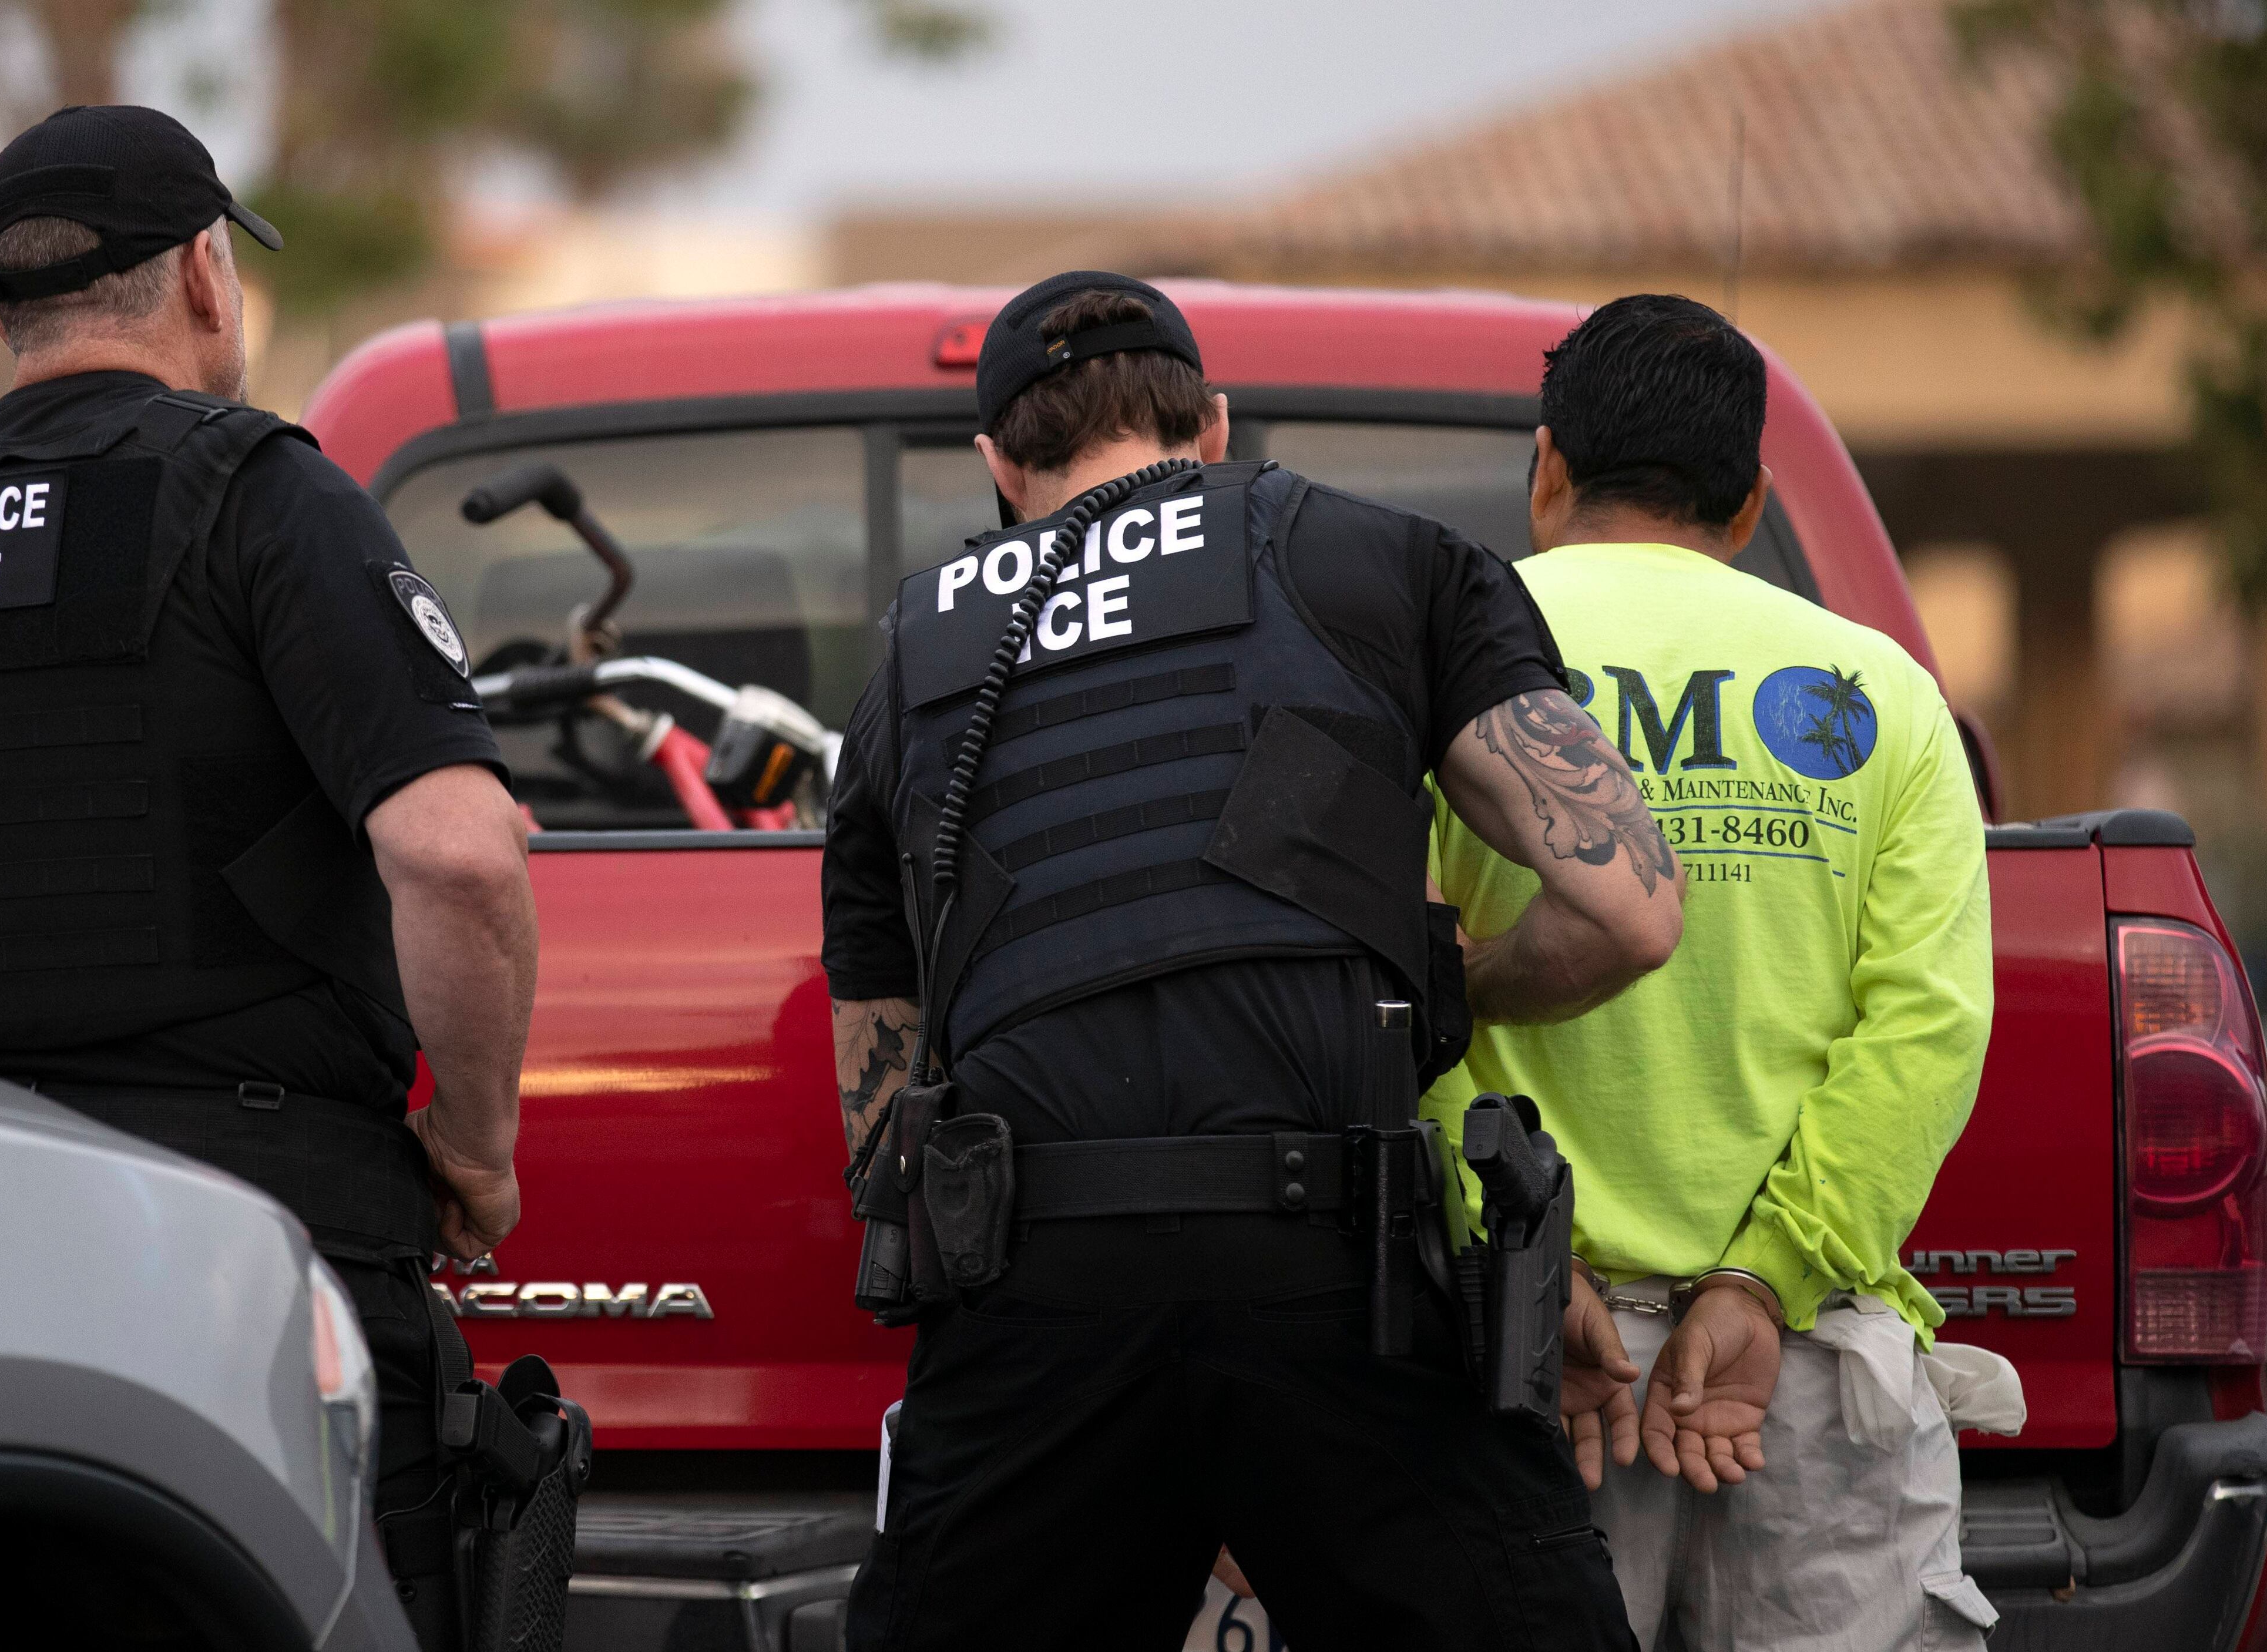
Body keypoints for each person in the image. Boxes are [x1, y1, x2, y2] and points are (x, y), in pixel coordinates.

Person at [0, 105, 539, 1648]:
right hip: (250, 1264)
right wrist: (476, 1148)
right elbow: (457, 855)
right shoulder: (266, 500)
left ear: (7, 304)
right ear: (202, 274)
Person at [821, 269, 1682, 1651]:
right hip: (1338, 1277)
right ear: (1210, 424)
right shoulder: (1377, 557)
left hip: (1037, 1302)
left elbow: (879, 1127)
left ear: (998, 465)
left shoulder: (907, 670)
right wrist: (1446, 990)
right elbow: (1631, 909)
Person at [1426, 293, 2004, 1650]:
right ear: (1748, 504)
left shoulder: (1435, 662)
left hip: (1525, 1359)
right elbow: (1929, 1026)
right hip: (1803, 1372)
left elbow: (1382, 992)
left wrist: (1520, 1253)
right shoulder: (1882, 692)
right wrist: (1767, 1273)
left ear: (1547, 469)